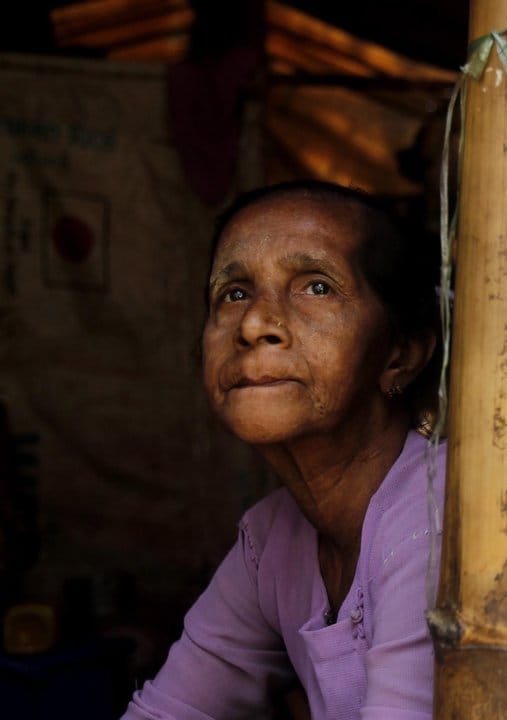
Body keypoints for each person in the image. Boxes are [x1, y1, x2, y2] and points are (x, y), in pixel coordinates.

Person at [124, 180, 445, 720]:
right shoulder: (273, 542)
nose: (253, 324)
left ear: (400, 354)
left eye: (315, 287)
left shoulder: (437, 517)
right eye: (234, 293)